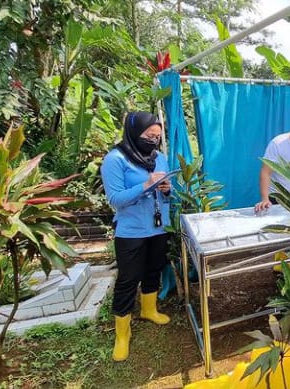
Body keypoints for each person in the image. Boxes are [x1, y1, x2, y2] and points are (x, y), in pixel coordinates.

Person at [101, 111, 172, 362]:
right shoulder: (115, 159)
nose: (153, 140)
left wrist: (166, 189)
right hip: (130, 231)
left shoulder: (160, 158)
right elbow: (115, 199)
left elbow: (165, 192)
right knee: (128, 280)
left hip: (159, 227)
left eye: (157, 136)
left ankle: (149, 310)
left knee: (154, 269)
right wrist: (145, 186)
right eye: (148, 135)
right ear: (134, 132)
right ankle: (122, 334)